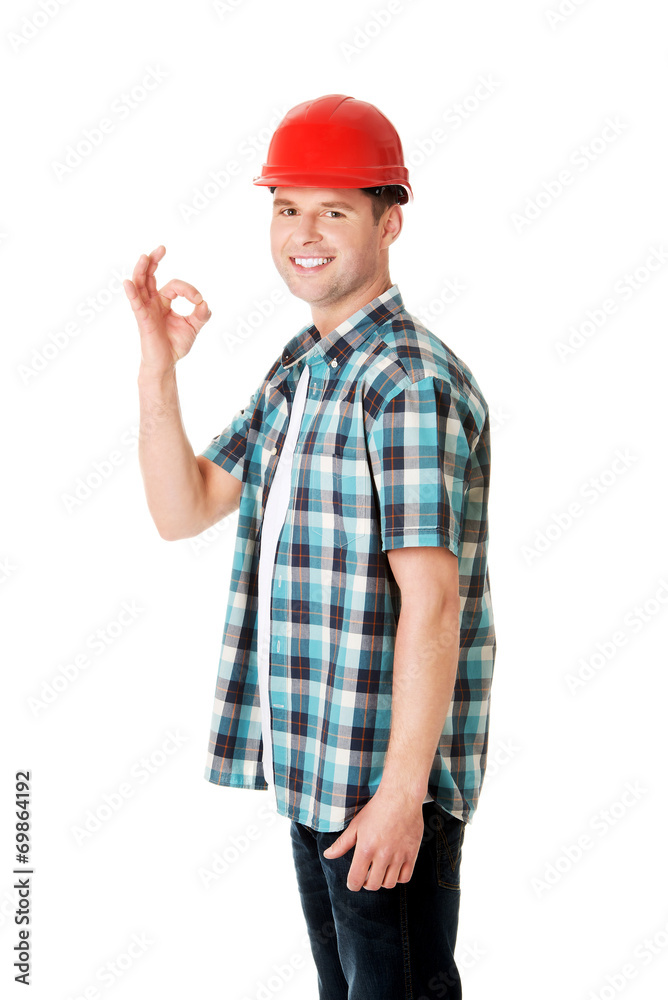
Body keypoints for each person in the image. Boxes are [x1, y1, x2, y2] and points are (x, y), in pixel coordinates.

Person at [124, 93, 496, 1000]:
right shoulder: (303, 366)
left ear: (389, 219)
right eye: (287, 207)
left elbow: (433, 603)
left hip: (382, 790)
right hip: (312, 767)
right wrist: (157, 362)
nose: (305, 232)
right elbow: (185, 507)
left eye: (334, 209)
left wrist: (403, 796)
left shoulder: (406, 385)